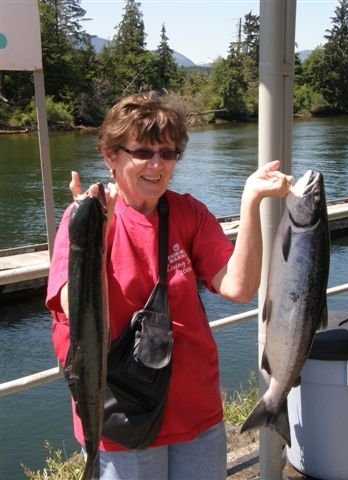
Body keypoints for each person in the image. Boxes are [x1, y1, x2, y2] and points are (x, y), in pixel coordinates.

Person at [46, 91, 293, 480]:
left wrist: (252, 200)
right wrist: (95, 236)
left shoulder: (189, 212)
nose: (157, 164)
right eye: (142, 151)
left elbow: (239, 288)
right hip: (122, 417)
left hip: (196, 413)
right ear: (111, 155)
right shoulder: (85, 217)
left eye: (169, 152)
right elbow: (74, 307)